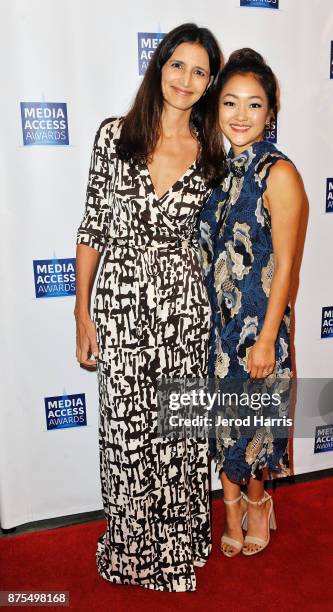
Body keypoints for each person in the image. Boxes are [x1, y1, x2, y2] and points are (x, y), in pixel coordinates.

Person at [74, 23, 224, 592]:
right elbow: (92, 227)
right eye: (177, 65)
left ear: (209, 83)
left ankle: (179, 544)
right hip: (119, 307)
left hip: (185, 313)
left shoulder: (213, 154)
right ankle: (133, 549)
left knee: (179, 432)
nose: (186, 79)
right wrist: (81, 313)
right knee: (128, 434)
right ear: (159, 66)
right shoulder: (113, 136)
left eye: (199, 71)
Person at [198, 49, 305, 557]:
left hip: (258, 329)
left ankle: (259, 505)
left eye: (254, 105)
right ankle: (230, 508)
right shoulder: (214, 173)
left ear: (271, 111)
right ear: (216, 108)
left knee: (255, 428)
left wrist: (266, 339)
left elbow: (285, 267)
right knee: (223, 424)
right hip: (214, 328)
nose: (241, 116)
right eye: (231, 103)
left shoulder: (279, 174)